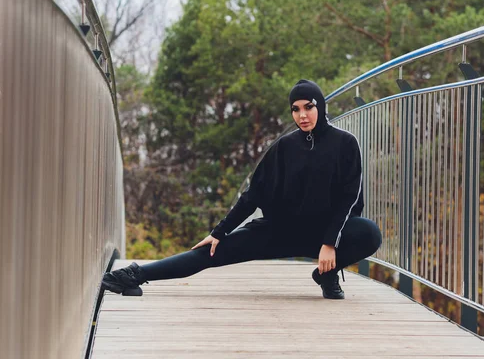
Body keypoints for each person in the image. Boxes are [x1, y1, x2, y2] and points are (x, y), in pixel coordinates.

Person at [102, 79, 382, 299]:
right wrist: (219, 232)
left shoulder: (345, 144)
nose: (302, 115)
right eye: (295, 109)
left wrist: (330, 243)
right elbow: (253, 194)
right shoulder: (285, 147)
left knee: (368, 233)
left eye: (308, 107)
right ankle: (133, 275)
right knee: (209, 254)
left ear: (320, 106)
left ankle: (326, 274)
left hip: (323, 234)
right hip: (280, 231)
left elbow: (349, 197)